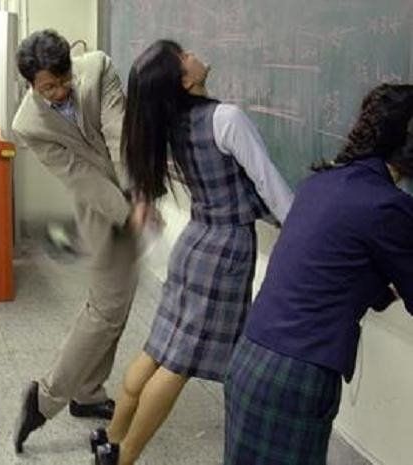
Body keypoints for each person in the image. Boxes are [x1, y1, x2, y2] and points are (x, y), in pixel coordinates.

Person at [92, 40, 293, 465]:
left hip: (195, 243)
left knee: (158, 349)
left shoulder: (169, 124)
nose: (192, 54)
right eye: (182, 56)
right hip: (225, 250)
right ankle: (123, 458)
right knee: (178, 365)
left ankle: (111, 439)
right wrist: (301, 231)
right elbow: (269, 184)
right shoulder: (226, 118)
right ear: (184, 80)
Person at [224, 83, 413, 465]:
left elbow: (339, 269)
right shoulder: (387, 206)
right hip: (296, 376)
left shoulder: (320, 184)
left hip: (250, 356)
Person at [11, 29, 146, 453]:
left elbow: (118, 134)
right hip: (99, 209)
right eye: (48, 87)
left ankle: (87, 392)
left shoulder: (98, 68)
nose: (60, 91)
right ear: (30, 84)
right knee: (107, 308)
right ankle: (45, 398)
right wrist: (126, 211)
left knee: (117, 304)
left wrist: (137, 192)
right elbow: (78, 175)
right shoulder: (28, 124)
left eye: (64, 79)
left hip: (132, 194)